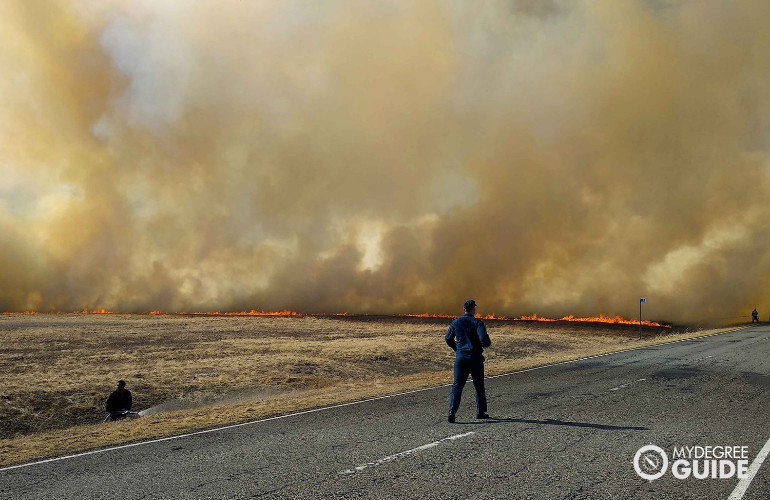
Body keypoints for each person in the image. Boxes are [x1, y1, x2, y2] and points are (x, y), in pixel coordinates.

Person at [445, 299, 491, 423]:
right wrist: (484, 344)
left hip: (461, 360)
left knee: (457, 386)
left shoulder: (455, 323)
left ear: (464, 309)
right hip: (475, 359)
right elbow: (484, 340)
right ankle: (480, 412)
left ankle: (452, 412)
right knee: (479, 386)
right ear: (473, 309)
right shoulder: (477, 323)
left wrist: (457, 349)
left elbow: (448, 338)